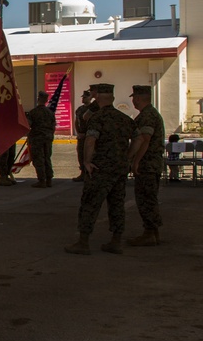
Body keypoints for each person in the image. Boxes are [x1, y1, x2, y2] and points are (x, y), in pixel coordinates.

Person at [65, 84, 136, 255]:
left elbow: (90, 140)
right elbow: (139, 138)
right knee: (117, 204)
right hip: (119, 168)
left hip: (100, 168)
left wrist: (86, 161)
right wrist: (128, 157)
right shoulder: (124, 119)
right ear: (113, 98)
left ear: (97, 99)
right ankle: (116, 241)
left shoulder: (97, 118)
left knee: (90, 203)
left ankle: (83, 242)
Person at [126, 85, 165, 246]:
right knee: (148, 198)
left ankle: (149, 233)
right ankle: (153, 233)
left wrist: (135, 161)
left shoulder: (148, 116)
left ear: (138, 99)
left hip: (147, 164)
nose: (133, 101)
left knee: (145, 199)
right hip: (150, 163)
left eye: (134, 98)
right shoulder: (149, 114)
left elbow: (145, 140)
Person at [26, 90, 57, 188]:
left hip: (37, 139)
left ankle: (42, 180)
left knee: (38, 159)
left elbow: (28, 125)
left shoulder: (33, 112)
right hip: (48, 138)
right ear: (46, 100)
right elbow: (53, 126)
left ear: (38, 99)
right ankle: (49, 179)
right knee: (47, 158)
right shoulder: (50, 113)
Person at [72, 87, 97, 181]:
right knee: (81, 154)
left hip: (89, 135)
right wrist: (78, 133)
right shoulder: (80, 109)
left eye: (85, 97)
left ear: (90, 98)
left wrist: (86, 134)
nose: (83, 99)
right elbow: (76, 121)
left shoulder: (92, 109)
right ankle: (83, 173)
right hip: (81, 136)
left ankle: (89, 174)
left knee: (90, 155)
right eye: (82, 97)